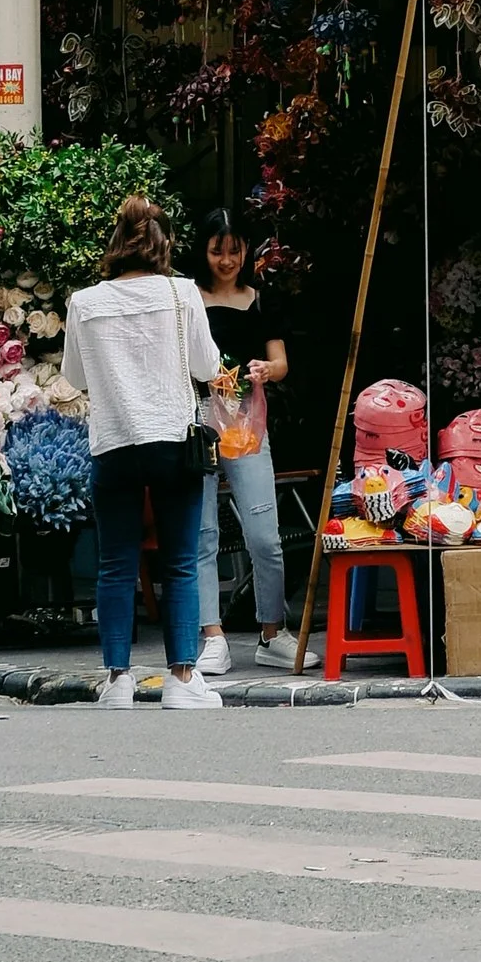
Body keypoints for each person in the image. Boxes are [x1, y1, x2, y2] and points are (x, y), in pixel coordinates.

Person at [60, 194, 223, 709]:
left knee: (116, 564)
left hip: (114, 441)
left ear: (116, 244)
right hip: (173, 438)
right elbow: (206, 364)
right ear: (163, 243)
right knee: (179, 562)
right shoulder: (182, 294)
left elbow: (74, 376)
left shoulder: (84, 302)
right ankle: (181, 678)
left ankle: (118, 679)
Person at [195, 209, 290, 673]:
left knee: (264, 535)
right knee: (202, 535)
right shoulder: (188, 300)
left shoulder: (261, 299)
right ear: (203, 250)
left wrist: (266, 371)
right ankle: (212, 636)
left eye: (235, 250)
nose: (227, 259)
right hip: (196, 421)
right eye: (218, 250)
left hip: (247, 422)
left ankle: (273, 632)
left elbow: (281, 362)